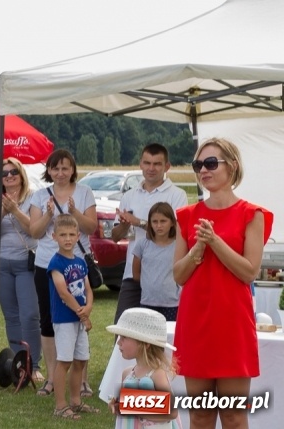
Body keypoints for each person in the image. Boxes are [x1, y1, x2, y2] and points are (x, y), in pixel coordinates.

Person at [172, 137, 272, 429]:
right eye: (198, 164)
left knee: (233, 415)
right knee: (201, 415)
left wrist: (214, 242)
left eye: (211, 163)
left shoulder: (252, 215)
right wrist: (197, 250)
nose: (203, 170)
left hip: (232, 324)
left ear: (233, 167)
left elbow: (249, 272)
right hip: (196, 322)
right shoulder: (186, 216)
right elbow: (178, 275)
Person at [28, 148, 96, 397]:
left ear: (73, 169)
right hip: (46, 264)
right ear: (48, 171)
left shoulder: (85, 192)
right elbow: (34, 232)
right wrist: (48, 214)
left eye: (65, 167)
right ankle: (52, 378)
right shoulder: (38, 195)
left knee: (80, 319)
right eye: (55, 168)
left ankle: (83, 380)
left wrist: (74, 212)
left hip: (77, 266)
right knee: (49, 321)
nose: (60, 173)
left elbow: (92, 227)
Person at [0, 157, 43, 384]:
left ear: (21, 175)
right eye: (4, 173)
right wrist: (2, 213)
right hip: (1, 262)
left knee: (30, 315)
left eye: (13, 172)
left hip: (25, 262)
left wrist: (16, 211)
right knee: (12, 316)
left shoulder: (33, 199)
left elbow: (35, 231)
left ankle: (34, 364)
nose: (9, 176)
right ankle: (20, 365)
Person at [112, 143, 188, 323]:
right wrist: (124, 225)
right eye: (147, 163)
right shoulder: (129, 196)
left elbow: (177, 232)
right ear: (140, 164)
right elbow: (115, 237)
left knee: (163, 335)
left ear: (167, 167)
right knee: (124, 333)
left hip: (164, 278)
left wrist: (139, 222)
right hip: (133, 275)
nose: (151, 168)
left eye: (157, 164)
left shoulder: (177, 195)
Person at [47, 214, 98, 420]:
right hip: (65, 319)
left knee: (80, 360)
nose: (67, 239)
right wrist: (83, 314)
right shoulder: (55, 262)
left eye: (71, 235)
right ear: (54, 237)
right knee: (65, 361)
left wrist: (89, 307)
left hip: (78, 317)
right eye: (62, 235)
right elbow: (63, 292)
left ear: (78, 236)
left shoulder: (80, 261)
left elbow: (87, 288)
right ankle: (60, 405)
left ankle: (76, 401)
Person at [107, 308, 180, 428]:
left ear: (145, 344)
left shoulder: (157, 374)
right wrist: (117, 404)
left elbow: (172, 412)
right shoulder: (127, 374)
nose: (119, 342)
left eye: (124, 337)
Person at [133, 202, 180, 321]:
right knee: (147, 338)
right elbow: (136, 274)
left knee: (169, 337)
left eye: (163, 221)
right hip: (147, 303)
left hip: (172, 304)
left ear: (172, 223)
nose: (159, 225)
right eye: (155, 221)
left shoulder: (179, 246)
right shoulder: (142, 245)